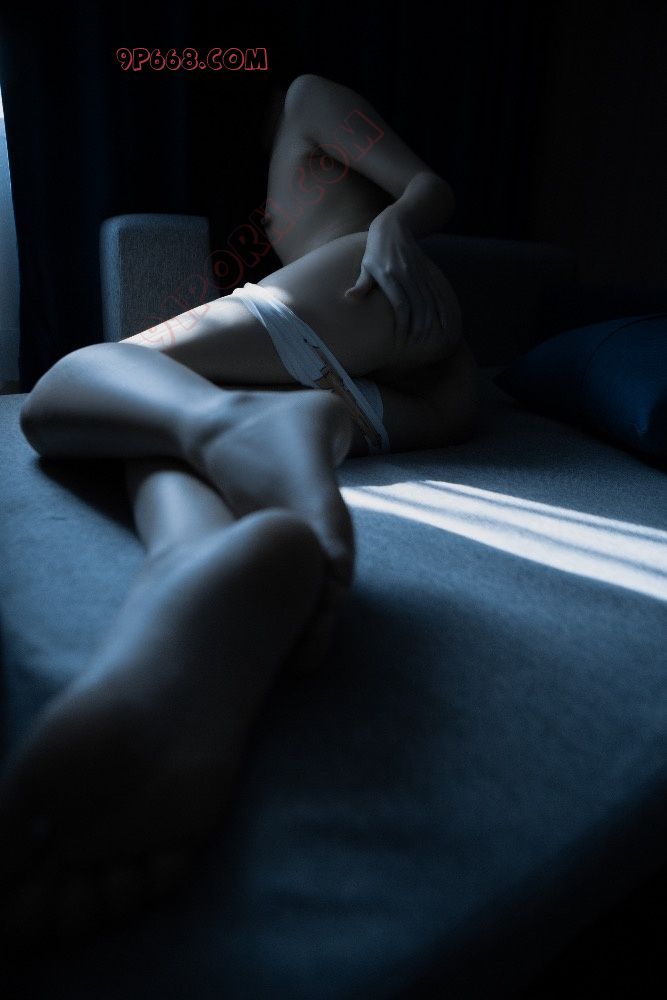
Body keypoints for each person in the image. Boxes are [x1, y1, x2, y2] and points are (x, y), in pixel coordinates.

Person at [0, 73, 478, 943]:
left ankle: (233, 432)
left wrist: (391, 232)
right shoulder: (280, 167)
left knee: (76, 383)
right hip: (424, 383)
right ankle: (187, 558)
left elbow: (428, 185)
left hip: (378, 289)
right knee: (130, 420)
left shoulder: (304, 94)